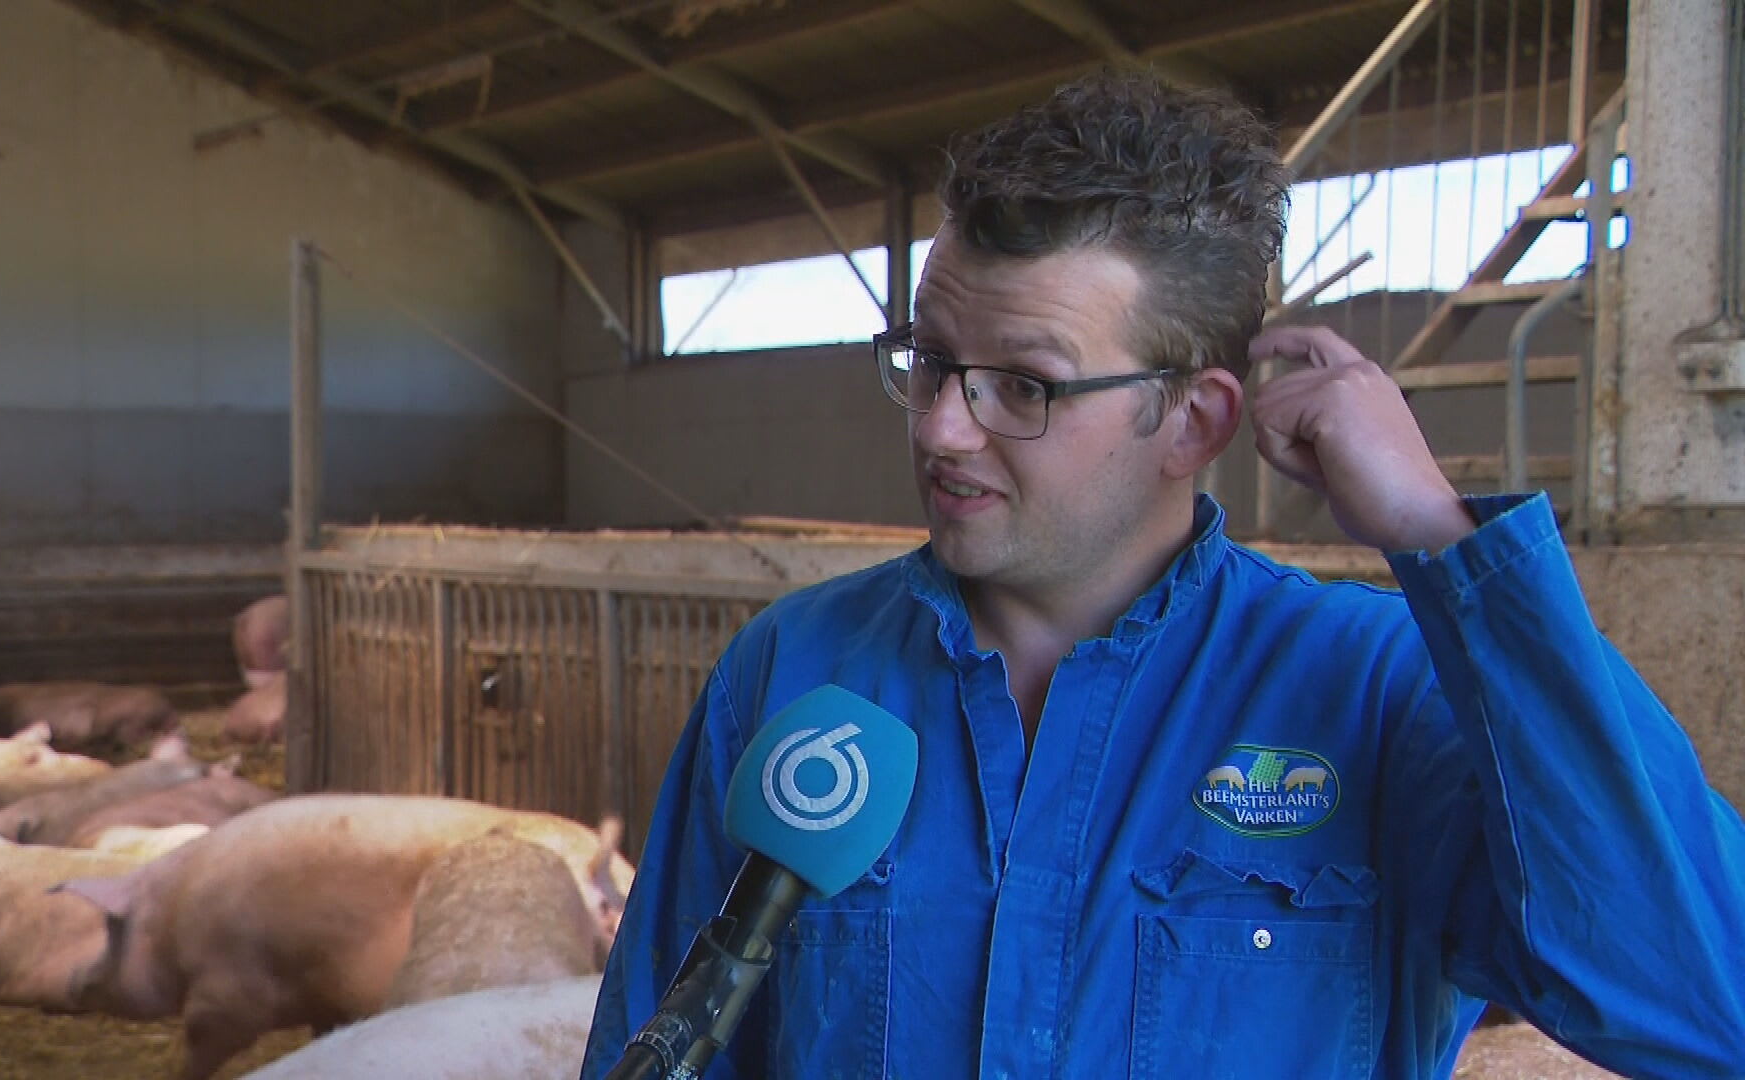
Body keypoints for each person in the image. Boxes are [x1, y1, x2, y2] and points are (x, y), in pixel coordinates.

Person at [580, 71, 1745, 1079]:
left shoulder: (1381, 696)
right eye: (930, 363)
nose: (941, 428)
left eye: (1023, 386)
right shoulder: (796, 671)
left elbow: (1703, 999)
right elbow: (667, 1039)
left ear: (1192, 420)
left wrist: (1441, 538)